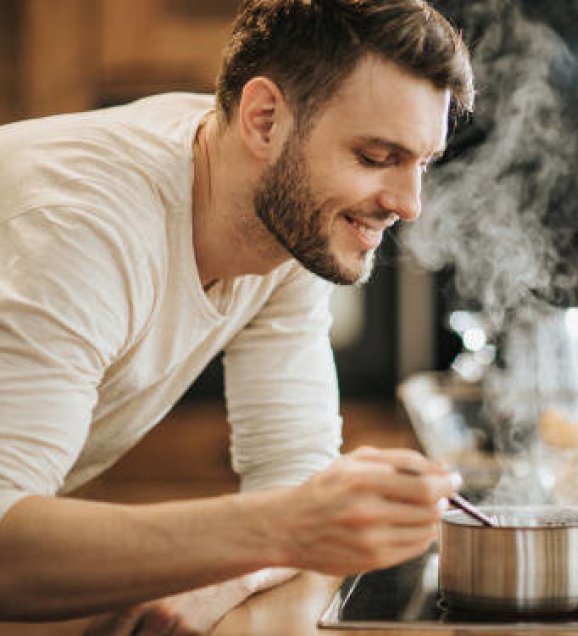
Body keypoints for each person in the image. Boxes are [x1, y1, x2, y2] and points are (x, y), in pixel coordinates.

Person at [0, 0, 474, 632]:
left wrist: (224, 578)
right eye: (374, 156)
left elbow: (293, 472)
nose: (409, 205)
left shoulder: (284, 221)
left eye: (421, 163)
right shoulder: (83, 227)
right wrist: (293, 525)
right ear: (264, 119)